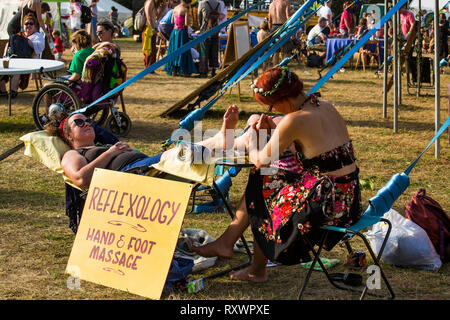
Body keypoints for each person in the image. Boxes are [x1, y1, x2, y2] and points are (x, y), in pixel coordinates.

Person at [191, 66, 363, 282]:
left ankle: (248, 260)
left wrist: (254, 141)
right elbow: (319, 150)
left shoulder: (295, 119)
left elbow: (261, 159)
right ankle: (239, 253)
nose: (274, 110)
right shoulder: (325, 106)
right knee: (267, 179)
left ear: (282, 99)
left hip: (328, 205)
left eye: (271, 106)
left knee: (262, 179)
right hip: (350, 198)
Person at [45, 105, 242, 190]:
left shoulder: (98, 146)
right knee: (183, 153)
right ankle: (224, 140)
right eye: (78, 123)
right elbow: (80, 179)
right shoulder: (73, 153)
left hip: (143, 167)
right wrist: (111, 152)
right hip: (133, 175)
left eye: (87, 120)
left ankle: (233, 142)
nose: (87, 123)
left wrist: (124, 152)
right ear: (69, 136)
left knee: (182, 154)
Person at [6, 13, 46, 99]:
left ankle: (13, 91)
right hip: (16, 59)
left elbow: (39, 48)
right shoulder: (19, 35)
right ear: (23, 26)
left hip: (31, 62)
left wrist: (26, 41)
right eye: (26, 24)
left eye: (31, 23)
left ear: (35, 26)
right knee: (7, 66)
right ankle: (2, 90)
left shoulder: (37, 36)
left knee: (17, 67)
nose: (28, 25)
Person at [164, 0, 197, 77]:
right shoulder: (185, 9)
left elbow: (172, 21)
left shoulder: (175, 8)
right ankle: (185, 72)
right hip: (182, 32)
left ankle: (174, 71)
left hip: (174, 32)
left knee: (174, 50)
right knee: (184, 50)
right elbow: (186, 24)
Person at [197, 0, 225, 78]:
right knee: (214, 51)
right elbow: (218, 18)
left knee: (203, 52)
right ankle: (213, 70)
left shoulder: (202, 3)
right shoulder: (219, 4)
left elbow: (199, 17)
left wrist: (201, 27)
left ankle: (203, 71)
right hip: (215, 30)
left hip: (205, 30)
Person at [143, 0, 167, 69]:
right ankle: (148, 68)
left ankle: (151, 68)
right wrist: (153, 29)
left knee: (153, 49)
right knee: (149, 48)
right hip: (148, 28)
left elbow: (156, 17)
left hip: (152, 27)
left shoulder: (155, 4)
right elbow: (149, 17)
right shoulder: (150, 2)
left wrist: (162, 8)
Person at [267, 0, 293, 65]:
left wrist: (270, 31)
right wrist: (291, 28)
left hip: (273, 27)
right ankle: (284, 69)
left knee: (276, 51)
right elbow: (288, 16)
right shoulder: (286, 2)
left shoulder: (271, 4)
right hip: (283, 26)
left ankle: (275, 68)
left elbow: (269, 19)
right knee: (286, 50)